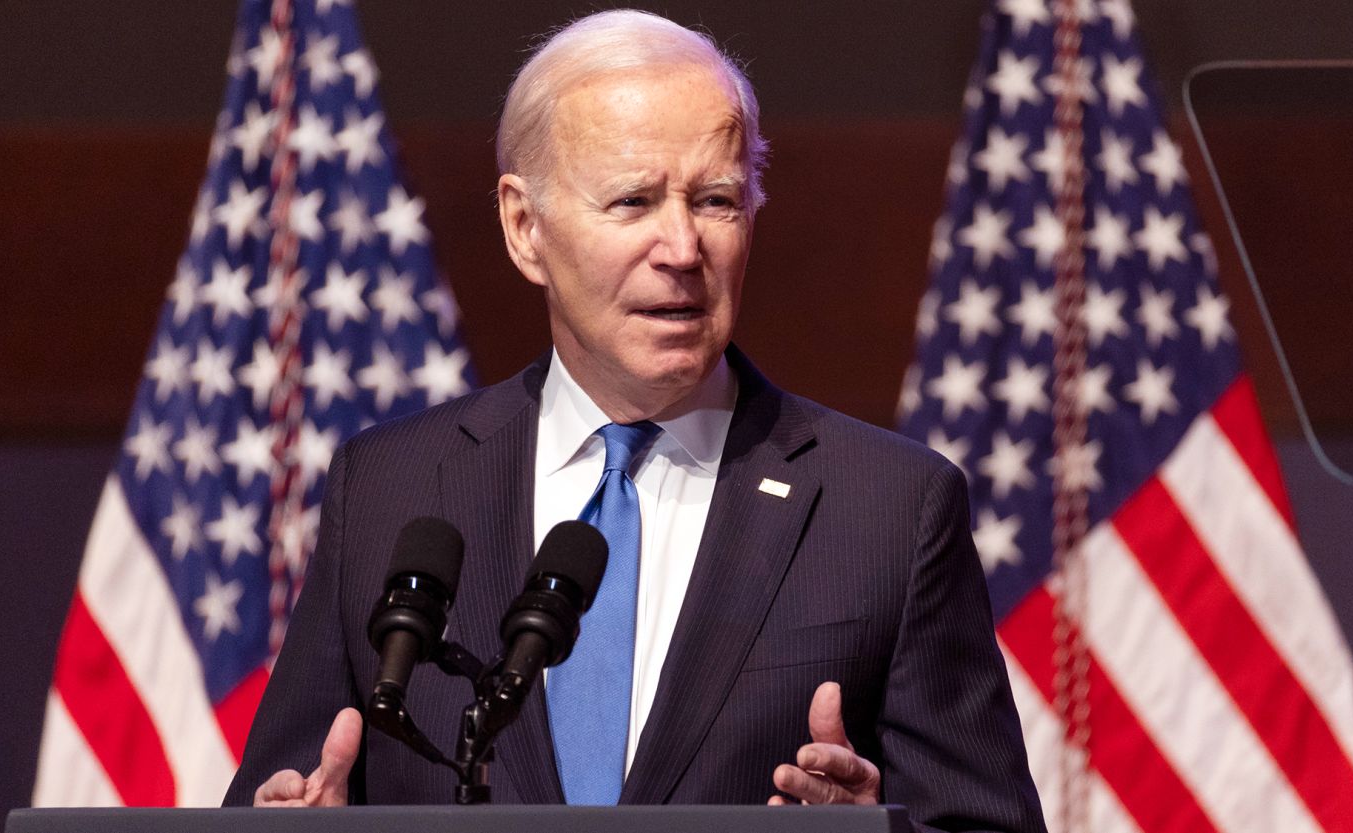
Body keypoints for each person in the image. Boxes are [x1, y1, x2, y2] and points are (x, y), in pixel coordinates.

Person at [224, 10, 1046, 830]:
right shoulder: (390, 488)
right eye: (634, 200)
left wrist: (880, 829)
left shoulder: (889, 509)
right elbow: (283, 794)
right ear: (525, 227)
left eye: (716, 199)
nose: (683, 247)